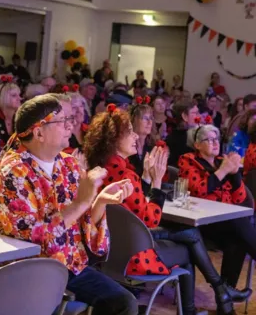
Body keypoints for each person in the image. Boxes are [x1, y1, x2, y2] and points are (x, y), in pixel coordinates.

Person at [83, 107, 250, 315]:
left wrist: (147, 177)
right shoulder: (125, 175)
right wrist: (156, 182)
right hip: (133, 254)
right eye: (129, 132)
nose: (135, 136)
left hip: (109, 251)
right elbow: (150, 219)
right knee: (189, 245)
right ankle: (205, 300)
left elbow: (134, 208)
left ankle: (220, 292)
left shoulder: (100, 169)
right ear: (114, 139)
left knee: (190, 234)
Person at [0, 94, 139, 315]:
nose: (71, 125)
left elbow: (80, 224)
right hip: (27, 270)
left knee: (124, 303)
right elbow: (32, 239)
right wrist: (80, 203)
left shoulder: (68, 164)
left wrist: (99, 202)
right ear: (39, 132)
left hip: (68, 264)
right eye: (62, 121)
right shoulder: (12, 172)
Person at [179, 124, 256, 290]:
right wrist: (223, 171)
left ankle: (226, 296)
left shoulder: (222, 161)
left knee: (237, 239)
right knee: (239, 223)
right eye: (209, 139)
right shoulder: (188, 161)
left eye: (216, 139)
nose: (215, 143)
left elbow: (240, 198)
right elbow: (199, 191)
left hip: (225, 222)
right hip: (201, 222)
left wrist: (234, 174)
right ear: (197, 145)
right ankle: (226, 294)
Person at [166, 100, 200, 167]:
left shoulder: (171, 136)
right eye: (195, 113)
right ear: (184, 116)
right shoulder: (189, 138)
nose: (199, 116)